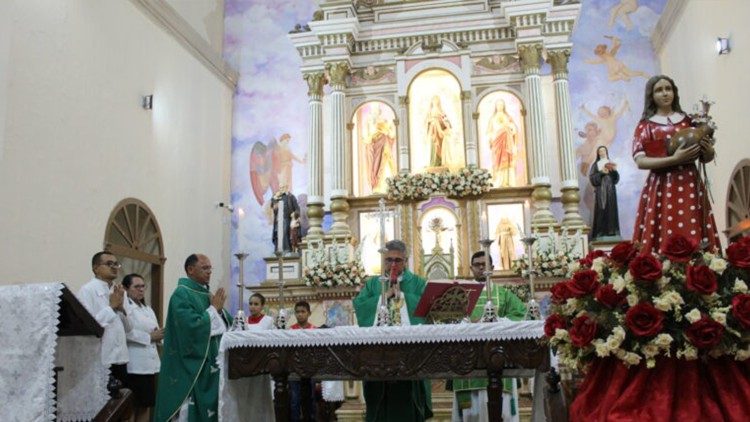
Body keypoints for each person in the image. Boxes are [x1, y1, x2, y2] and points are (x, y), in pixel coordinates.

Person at [630, 75, 720, 253]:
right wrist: (674, 159)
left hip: (689, 182)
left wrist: (708, 150)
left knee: (690, 220)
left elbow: (705, 157)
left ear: (674, 92)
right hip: (662, 184)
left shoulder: (688, 121)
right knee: (663, 224)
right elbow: (640, 161)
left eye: (668, 89)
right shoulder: (646, 126)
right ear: (651, 95)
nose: (665, 93)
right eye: (659, 90)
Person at [353, 240, 433, 422]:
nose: (393, 265)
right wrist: (384, 296)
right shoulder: (374, 284)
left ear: (406, 260)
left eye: (398, 260)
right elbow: (359, 307)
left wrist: (403, 296)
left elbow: (428, 308)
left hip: (410, 355)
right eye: (389, 260)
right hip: (378, 355)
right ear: (383, 261)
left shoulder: (419, 282)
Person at [153, 254, 231, 422]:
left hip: (210, 363)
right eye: (205, 268)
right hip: (192, 365)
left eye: (210, 268)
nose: (209, 272)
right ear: (190, 269)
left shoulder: (205, 294)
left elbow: (226, 324)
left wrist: (220, 311)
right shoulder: (181, 294)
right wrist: (215, 309)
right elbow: (191, 328)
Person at [451, 251, 526, 422]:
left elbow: (522, 314)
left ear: (492, 268)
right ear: (471, 269)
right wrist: (467, 323)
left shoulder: (503, 294)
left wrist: (498, 321)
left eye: (484, 264)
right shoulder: (460, 294)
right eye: (477, 265)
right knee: (471, 415)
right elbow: (449, 319)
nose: (481, 268)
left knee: (502, 412)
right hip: (468, 361)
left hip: (499, 360)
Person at [77, 251, 131, 387]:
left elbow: (129, 328)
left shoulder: (118, 291)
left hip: (121, 357)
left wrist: (122, 310)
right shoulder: (87, 290)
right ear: (95, 268)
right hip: (101, 358)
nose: (114, 267)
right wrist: (111, 307)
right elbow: (88, 326)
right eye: (109, 264)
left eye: (116, 264)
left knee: (122, 403)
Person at [122, 273, 163, 422]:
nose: (141, 290)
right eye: (136, 286)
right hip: (134, 365)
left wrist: (160, 335)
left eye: (143, 286)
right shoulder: (126, 307)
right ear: (126, 289)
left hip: (149, 364)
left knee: (146, 405)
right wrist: (150, 337)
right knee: (131, 407)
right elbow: (127, 332)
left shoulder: (148, 309)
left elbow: (155, 330)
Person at [290, 301, 317, 421]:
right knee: (294, 400)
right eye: (297, 312)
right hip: (294, 370)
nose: (300, 314)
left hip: (310, 369)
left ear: (309, 313)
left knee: (310, 399)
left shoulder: (315, 330)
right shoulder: (290, 331)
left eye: (303, 312)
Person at [589, 146, 621, 240]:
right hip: (601, 190)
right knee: (601, 209)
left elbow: (616, 179)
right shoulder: (596, 165)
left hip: (611, 190)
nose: (602, 152)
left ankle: (612, 232)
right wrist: (601, 173)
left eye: (603, 151)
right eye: (600, 151)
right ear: (598, 154)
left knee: (611, 210)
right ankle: (600, 232)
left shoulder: (610, 162)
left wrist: (614, 171)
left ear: (606, 152)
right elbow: (592, 178)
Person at [364, 105, 397, 192]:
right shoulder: (368, 122)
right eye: (373, 110)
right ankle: (376, 186)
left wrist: (385, 132)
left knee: (384, 166)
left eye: (376, 110)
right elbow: (365, 137)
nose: (375, 112)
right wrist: (372, 138)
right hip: (373, 149)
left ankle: (386, 186)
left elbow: (392, 135)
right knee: (374, 167)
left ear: (379, 111)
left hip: (384, 149)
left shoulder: (384, 121)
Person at [486, 99, 519, 187]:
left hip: (507, 141)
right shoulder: (492, 118)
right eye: (498, 105)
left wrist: (509, 128)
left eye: (501, 105)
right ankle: (498, 181)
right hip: (497, 142)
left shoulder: (508, 117)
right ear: (496, 107)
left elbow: (514, 129)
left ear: (504, 106)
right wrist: (491, 138)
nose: (500, 106)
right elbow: (489, 132)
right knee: (497, 161)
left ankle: (508, 181)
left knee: (508, 160)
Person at [271, 185, 300, 254]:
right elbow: (273, 206)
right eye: (280, 187)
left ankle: (287, 249)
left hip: (288, 219)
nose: (281, 189)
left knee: (285, 230)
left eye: (283, 187)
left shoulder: (291, 197)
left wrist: (294, 214)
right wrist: (275, 198)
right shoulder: (277, 197)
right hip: (278, 220)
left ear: (287, 187)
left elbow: (297, 209)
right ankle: (278, 250)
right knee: (278, 234)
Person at [425, 95, 452, 168]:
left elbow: (445, 120)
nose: (435, 101)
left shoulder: (441, 110)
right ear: (432, 101)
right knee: (434, 145)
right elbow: (427, 121)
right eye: (434, 100)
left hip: (440, 131)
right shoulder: (430, 111)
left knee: (440, 145)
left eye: (437, 100)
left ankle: (440, 161)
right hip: (433, 131)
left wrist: (442, 121)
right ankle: (434, 162)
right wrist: (432, 121)